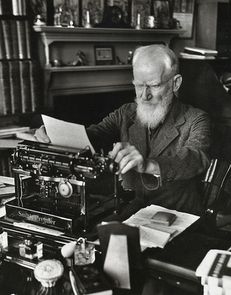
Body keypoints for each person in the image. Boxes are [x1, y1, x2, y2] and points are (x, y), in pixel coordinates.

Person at [35, 44, 211, 218]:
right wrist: (56, 133)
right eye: (139, 85)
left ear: (175, 83)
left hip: (178, 216)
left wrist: (147, 165)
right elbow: (94, 135)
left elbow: (194, 159)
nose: (144, 95)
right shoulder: (126, 113)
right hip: (133, 211)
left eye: (154, 85)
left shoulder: (196, 119)